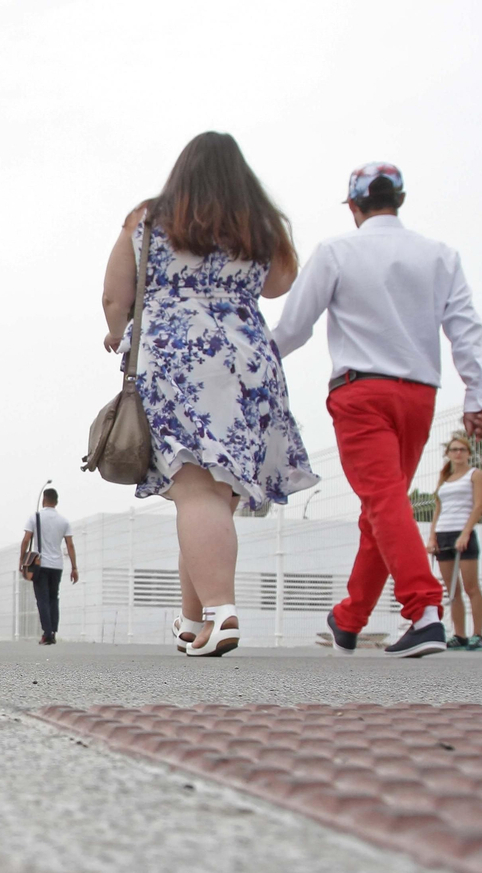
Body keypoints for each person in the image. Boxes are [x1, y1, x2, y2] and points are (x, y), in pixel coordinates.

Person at [101, 131, 317, 658]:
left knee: (194, 490)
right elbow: (279, 284)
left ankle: (221, 612)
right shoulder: (257, 221)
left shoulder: (148, 218)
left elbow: (115, 295)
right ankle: (195, 619)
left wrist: (116, 331)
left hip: (175, 356)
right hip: (245, 357)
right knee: (210, 496)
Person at [275, 161, 482, 658]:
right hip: (419, 395)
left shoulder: (336, 251)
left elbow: (292, 329)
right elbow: (466, 328)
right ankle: (349, 618)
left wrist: (249, 367)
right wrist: (477, 395)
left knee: (382, 503)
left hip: (360, 394)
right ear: (399, 199)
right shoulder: (441, 256)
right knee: (383, 505)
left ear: (353, 206)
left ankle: (424, 611)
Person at [427, 434, 482, 650]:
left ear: (468, 453)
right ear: (448, 453)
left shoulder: (475, 475)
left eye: (462, 449)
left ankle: (479, 634)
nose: (458, 453)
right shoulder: (444, 478)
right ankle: (459, 634)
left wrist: (465, 533)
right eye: (454, 449)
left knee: (471, 587)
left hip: (463, 533)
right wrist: (432, 536)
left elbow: (479, 505)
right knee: (452, 589)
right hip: (443, 532)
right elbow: (438, 508)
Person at [19, 487, 77, 645]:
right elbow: (70, 545)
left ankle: (47, 633)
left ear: (44, 500)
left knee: (42, 599)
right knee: (53, 598)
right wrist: (74, 567)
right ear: (56, 502)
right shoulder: (64, 521)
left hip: (40, 564)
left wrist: (22, 561)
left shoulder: (35, 518)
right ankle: (53, 631)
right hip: (57, 565)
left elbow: (26, 541)